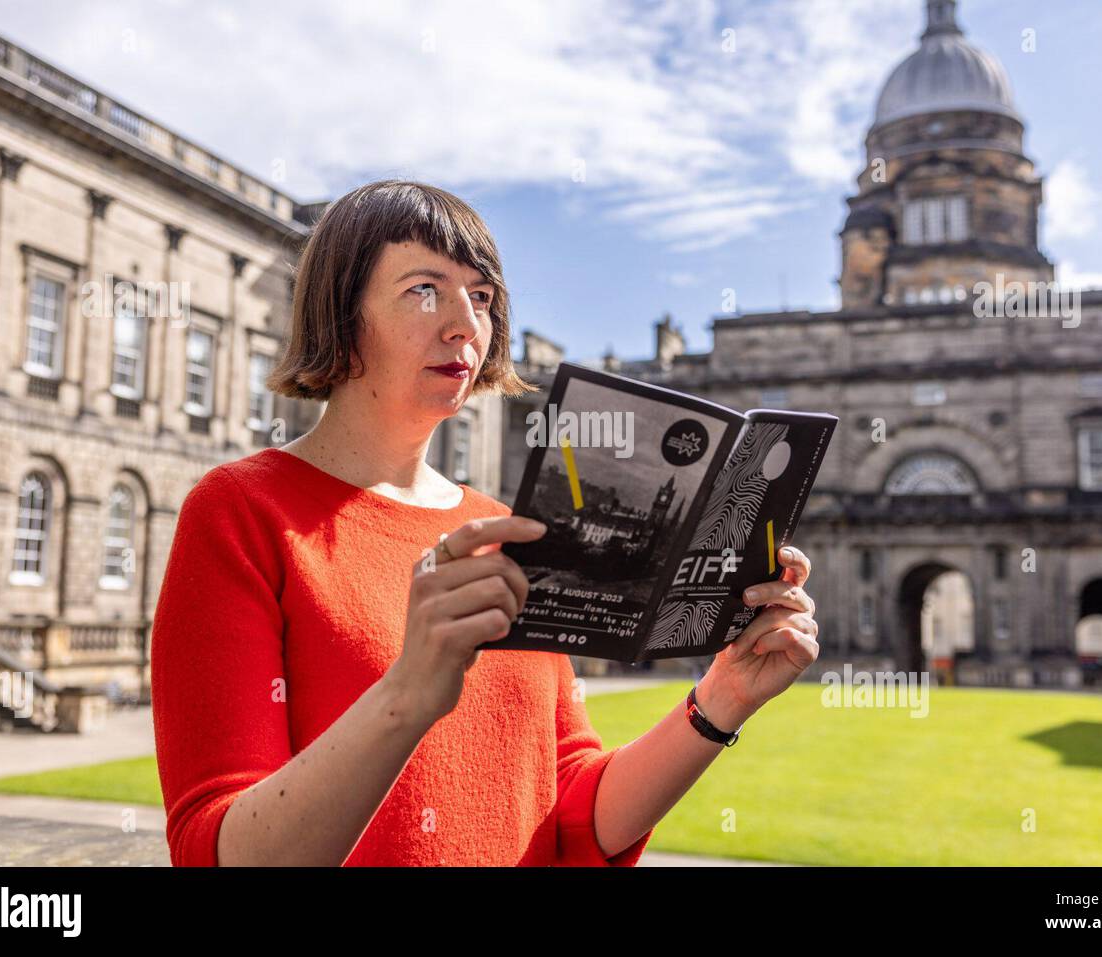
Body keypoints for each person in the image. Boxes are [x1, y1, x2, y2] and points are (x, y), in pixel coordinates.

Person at [149, 179, 821, 866]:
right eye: (424, 289)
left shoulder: (502, 526)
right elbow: (219, 849)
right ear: (342, 312)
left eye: (481, 296)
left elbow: (572, 811)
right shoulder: (241, 511)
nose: (466, 325)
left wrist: (721, 699)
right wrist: (408, 692)